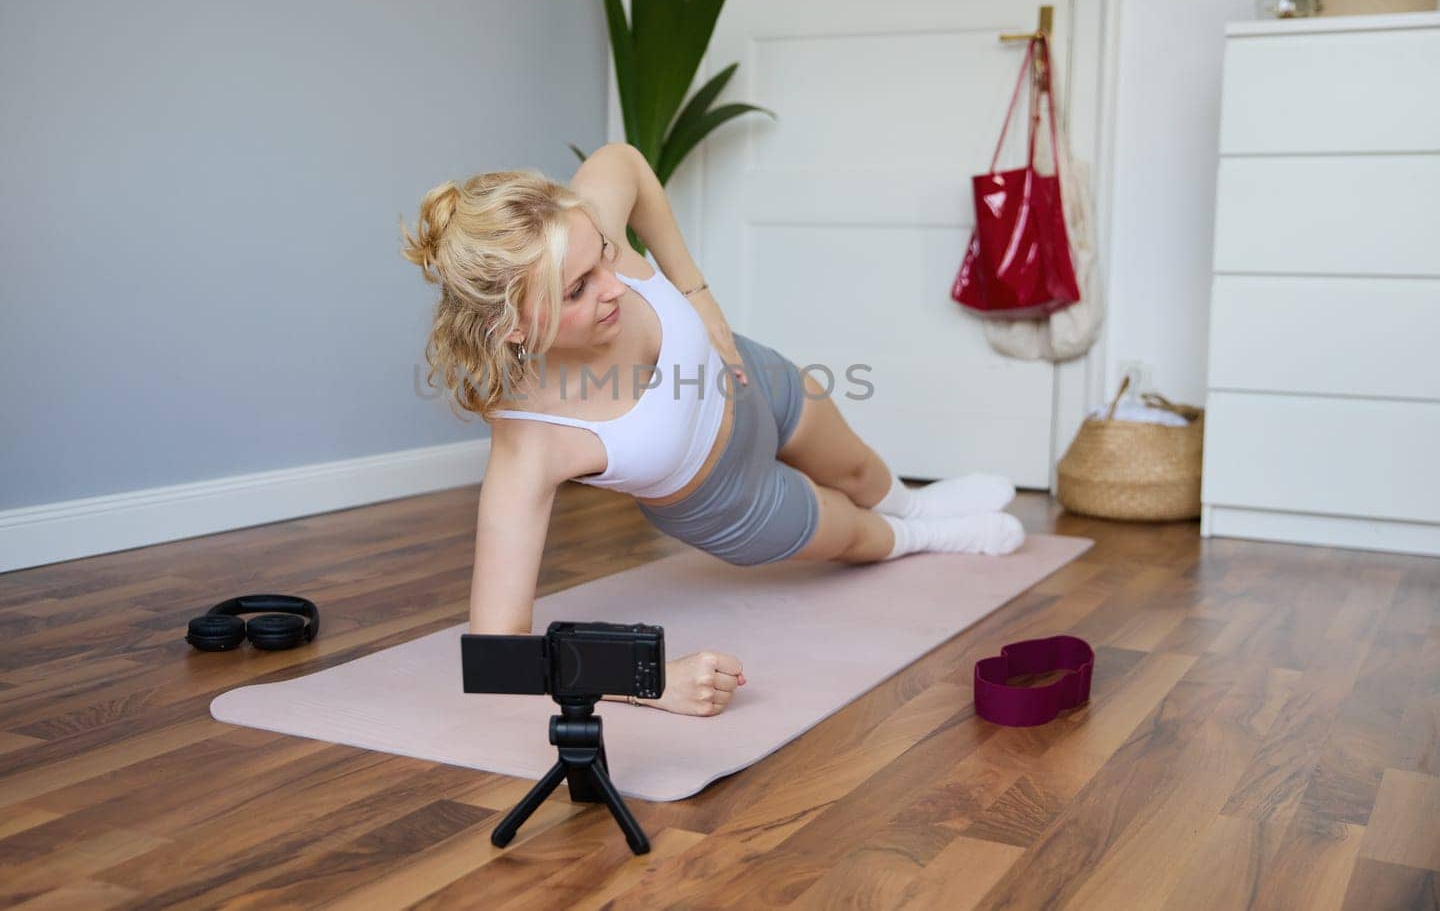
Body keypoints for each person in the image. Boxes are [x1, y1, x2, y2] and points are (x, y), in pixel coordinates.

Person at [399, 143, 1023, 718]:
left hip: (752, 377)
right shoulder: (531, 437)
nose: (614, 286)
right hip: (727, 500)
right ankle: (923, 535)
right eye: (579, 289)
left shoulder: (583, 228)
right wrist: (650, 682)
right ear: (512, 326)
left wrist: (697, 294)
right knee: (857, 533)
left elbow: (626, 163)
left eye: (606, 255)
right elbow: (495, 653)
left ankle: (917, 500)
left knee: (861, 469)